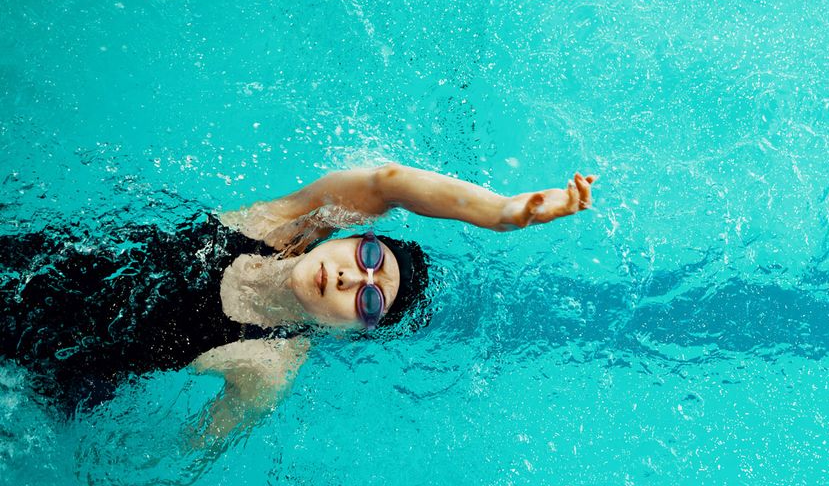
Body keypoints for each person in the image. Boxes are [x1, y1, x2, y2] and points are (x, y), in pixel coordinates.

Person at [0, 163, 597, 440]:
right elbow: (389, 184)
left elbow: (191, 448)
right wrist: (502, 213)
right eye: (367, 259)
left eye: (369, 303)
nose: (348, 281)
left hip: (55, 372)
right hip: (35, 269)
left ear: (352, 331)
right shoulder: (283, 224)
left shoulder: (267, 365)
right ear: (348, 233)